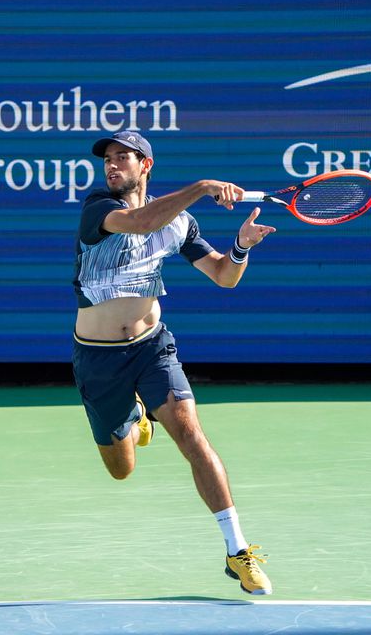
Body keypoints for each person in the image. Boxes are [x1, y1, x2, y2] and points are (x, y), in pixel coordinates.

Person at [71, 130, 276, 595]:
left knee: (189, 432)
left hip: (151, 346)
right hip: (99, 360)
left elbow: (224, 276)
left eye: (125, 157)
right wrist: (203, 188)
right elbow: (140, 223)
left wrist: (240, 246)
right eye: (109, 158)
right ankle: (132, 415)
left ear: (147, 165)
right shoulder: (98, 208)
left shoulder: (179, 224)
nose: (113, 164)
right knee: (121, 470)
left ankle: (236, 550)